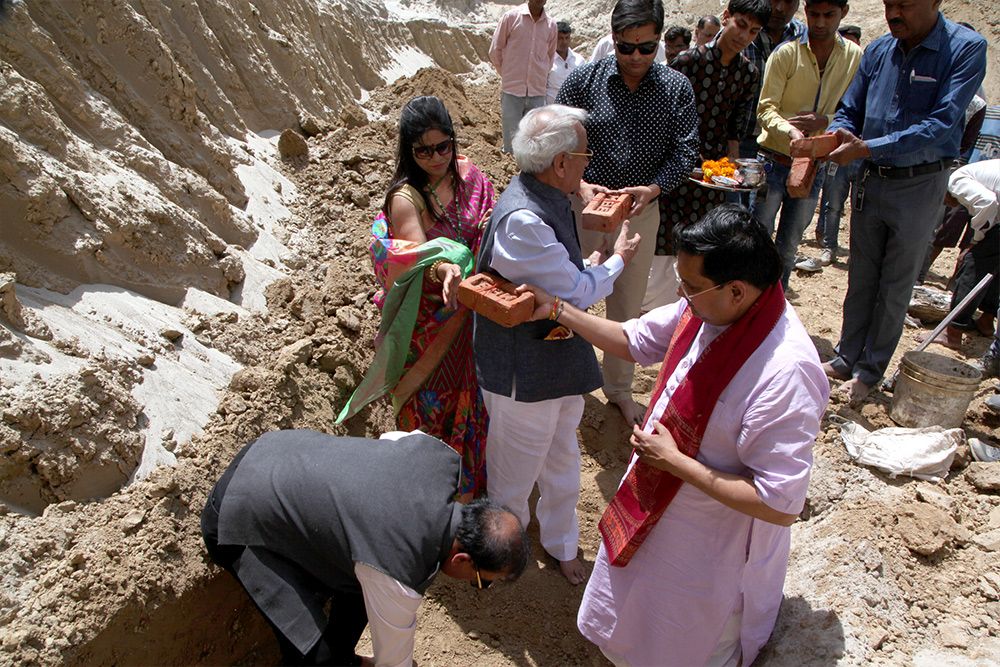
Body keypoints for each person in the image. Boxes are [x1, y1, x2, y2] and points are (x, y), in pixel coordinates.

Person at [517, 204, 828, 666]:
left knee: (677, 645)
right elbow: (634, 340)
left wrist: (676, 462)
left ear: (737, 291)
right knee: (628, 623)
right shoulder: (708, 309)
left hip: (707, 553)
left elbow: (779, 504)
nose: (682, 295)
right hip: (652, 509)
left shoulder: (785, 373)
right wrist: (559, 309)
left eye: (692, 287)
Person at [473, 105, 641, 584]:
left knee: (563, 460)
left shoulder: (544, 195)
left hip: (555, 360)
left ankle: (561, 543)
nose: (589, 165)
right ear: (561, 162)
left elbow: (563, 278)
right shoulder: (524, 219)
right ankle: (501, 561)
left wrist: (585, 266)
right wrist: (617, 260)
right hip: (523, 373)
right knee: (513, 476)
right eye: (584, 156)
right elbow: (577, 292)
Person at [201, 429, 530, 667]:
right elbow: (394, 664)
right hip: (235, 516)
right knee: (318, 658)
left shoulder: (437, 454)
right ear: (461, 559)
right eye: (481, 582)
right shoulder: (398, 570)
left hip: (270, 449)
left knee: (359, 576)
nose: (478, 586)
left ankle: (345, 657)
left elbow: (386, 441)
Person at [823, 0, 987, 404]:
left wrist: (868, 147)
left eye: (904, 4)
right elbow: (850, 108)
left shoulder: (965, 48)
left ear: (934, 2)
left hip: (919, 184)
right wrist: (838, 133)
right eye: (888, 4)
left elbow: (941, 124)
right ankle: (845, 358)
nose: (893, 13)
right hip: (871, 180)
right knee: (861, 277)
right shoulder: (879, 50)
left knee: (895, 285)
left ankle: (868, 371)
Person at [336, 96, 494, 500]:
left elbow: (490, 221)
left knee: (472, 401)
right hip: (428, 323)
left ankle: (467, 491)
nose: (436, 158)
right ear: (409, 151)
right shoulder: (406, 198)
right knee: (428, 409)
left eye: (443, 146)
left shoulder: (470, 177)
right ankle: (422, 497)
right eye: (424, 151)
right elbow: (417, 257)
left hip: (473, 316)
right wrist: (447, 268)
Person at [557, 0, 699, 426]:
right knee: (570, 293)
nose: (636, 57)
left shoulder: (675, 88)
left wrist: (652, 189)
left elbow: (686, 152)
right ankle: (566, 380)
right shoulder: (583, 81)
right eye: (626, 47)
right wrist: (580, 185)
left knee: (627, 302)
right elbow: (556, 137)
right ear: (613, 39)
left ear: (659, 41)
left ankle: (618, 388)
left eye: (647, 47)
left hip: (640, 212)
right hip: (584, 208)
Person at [645, 0, 770, 312]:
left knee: (702, 250)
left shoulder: (747, 73)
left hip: (712, 181)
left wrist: (731, 169)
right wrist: (682, 161)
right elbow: (661, 117)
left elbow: (734, 127)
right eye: (741, 24)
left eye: (753, 31)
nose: (744, 36)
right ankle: (649, 321)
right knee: (664, 251)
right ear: (726, 17)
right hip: (675, 173)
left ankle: (685, 318)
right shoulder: (687, 62)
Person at [751, 0, 862, 291]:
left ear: (844, 13)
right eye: (814, 14)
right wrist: (791, 131)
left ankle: (776, 303)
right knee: (757, 239)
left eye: (829, 15)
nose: (821, 23)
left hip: (814, 167)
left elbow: (855, 110)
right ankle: (750, 305)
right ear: (806, 12)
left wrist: (826, 121)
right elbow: (766, 109)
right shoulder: (786, 53)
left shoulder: (854, 57)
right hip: (773, 161)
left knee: (789, 245)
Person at [796, 23, 863, 273]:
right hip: (832, 147)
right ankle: (829, 245)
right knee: (832, 203)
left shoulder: (860, 71)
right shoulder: (828, 70)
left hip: (860, 152)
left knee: (856, 208)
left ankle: (854, 251)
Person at [919, 159, 999, 352]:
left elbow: (988, 203)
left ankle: (952, 332)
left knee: (972, 266)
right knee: (996, 266)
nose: (945, 204)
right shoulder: (977, 173)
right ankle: (986, 321)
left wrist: (975, 240)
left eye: (943, 200)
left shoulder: (956, 179)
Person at [738, 0, 807, 159]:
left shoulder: (804, 37)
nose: (780, 8)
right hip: (742, 140)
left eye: (788, 1)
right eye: (774, 0)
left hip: (783, 145)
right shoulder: (740, 34)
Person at [490, 0, 558, 153]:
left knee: (533, 143)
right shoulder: (511, 18)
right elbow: (495, 50)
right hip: (512, 91)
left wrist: (538, 77)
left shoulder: (551, 25)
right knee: (511, 145)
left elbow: (549, 58)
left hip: (537, 92)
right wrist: (507, 74)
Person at [546, 21, 585, 105]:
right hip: (552, 107)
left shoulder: (579, 60)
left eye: (567, 38)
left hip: (573, 107)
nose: (564, 41)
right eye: (560, 38)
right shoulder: (547, 60)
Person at [589, 31, 667, 63]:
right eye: (626, 48)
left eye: (645, 49)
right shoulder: (606, 43)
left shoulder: (657, 45)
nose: (636, 57)